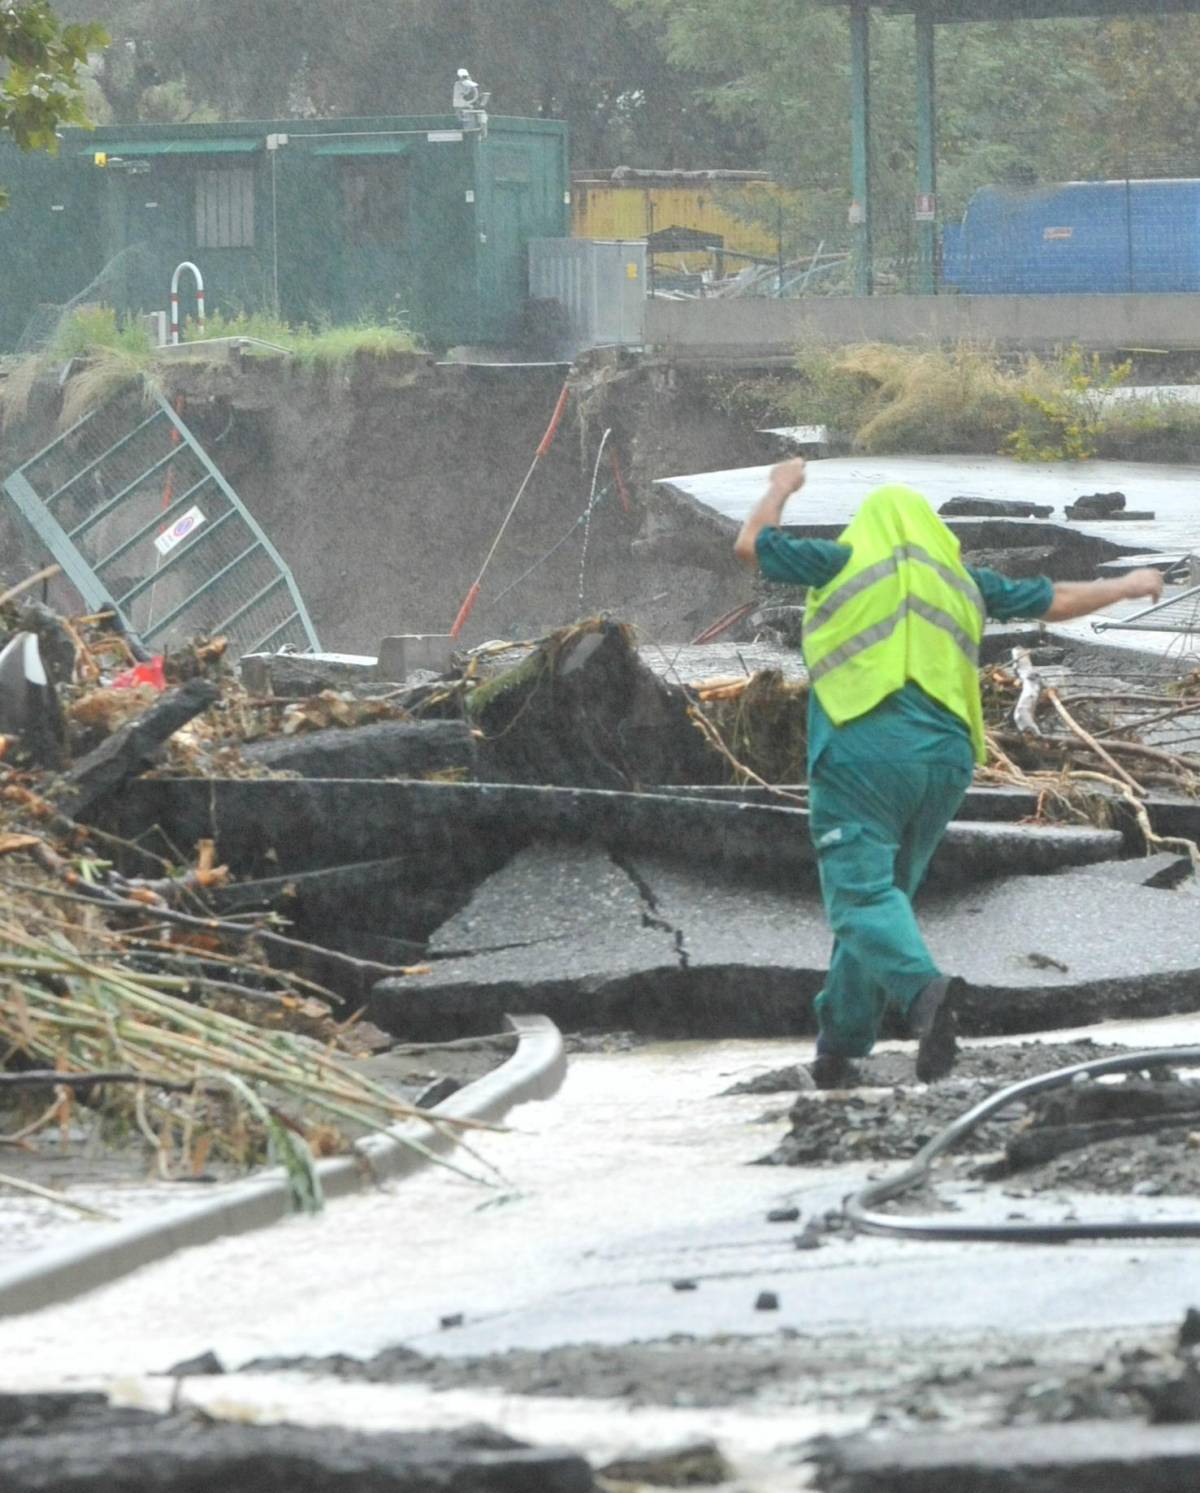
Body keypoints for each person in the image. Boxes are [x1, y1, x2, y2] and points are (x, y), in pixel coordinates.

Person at [734, 457, 1165, 1086]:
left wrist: (780, 485)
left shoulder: (842, 561)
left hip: (867, 749)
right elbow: (1058, 599)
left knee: (858, 897)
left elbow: (752, 545)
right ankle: (842, 1047)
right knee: (886, 901)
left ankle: (925, 995)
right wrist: (1128, 585)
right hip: (947, 761)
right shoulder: (965, 580)